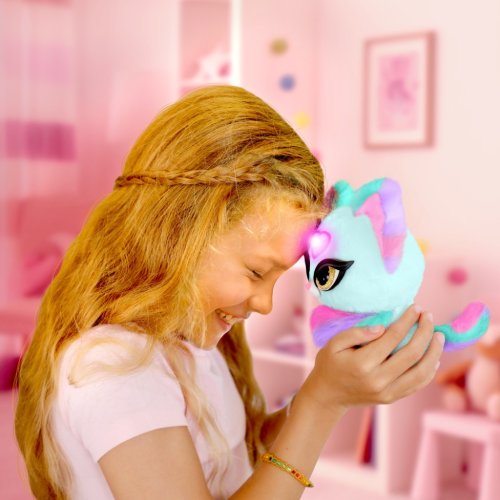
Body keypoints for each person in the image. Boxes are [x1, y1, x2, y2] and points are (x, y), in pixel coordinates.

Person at [14, 85, 444, 500]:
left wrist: (333, 389)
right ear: (179, 234)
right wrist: (321, 403)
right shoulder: (116, 367)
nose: (265, 303)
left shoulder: (189, 338)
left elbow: (237, 457)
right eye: (256, 272)